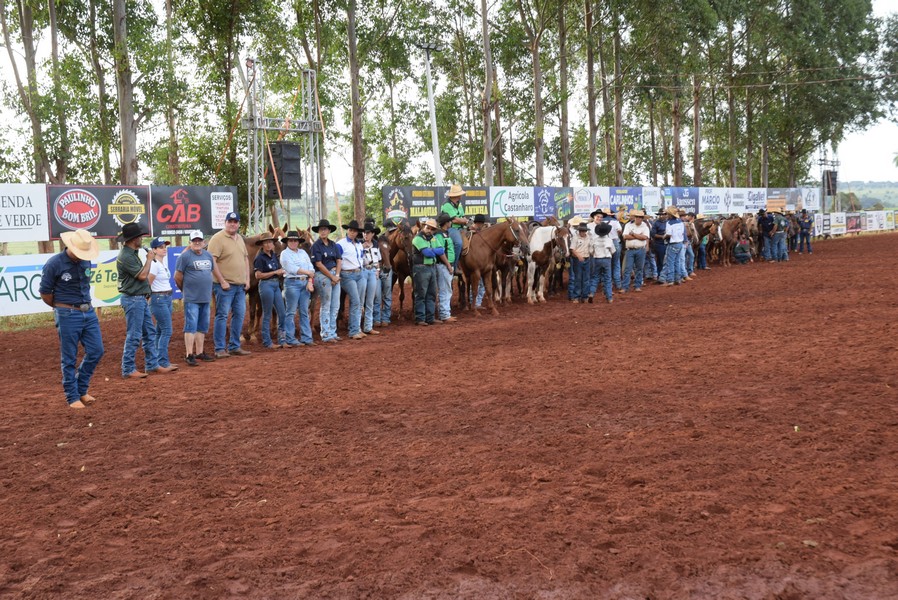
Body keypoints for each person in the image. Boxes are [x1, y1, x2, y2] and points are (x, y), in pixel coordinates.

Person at [39, 229, 105, 409]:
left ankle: (80, 389)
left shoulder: (86, 261)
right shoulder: (54, 264)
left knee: (97, 350)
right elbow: (45, 293)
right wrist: (62, 307)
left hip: (87, 311)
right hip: (67, 313)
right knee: (69, 356)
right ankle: (72, 396)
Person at [117, 223, 172, 378]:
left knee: (149, 333)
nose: (142, 239)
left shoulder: (131, 253)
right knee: (134, 335)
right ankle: (128, 368)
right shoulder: (126, 256)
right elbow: (142, 276)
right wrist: (149, 259)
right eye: (140, 237)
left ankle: (152, 364)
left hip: (138, 299)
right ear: (134, 239)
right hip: (134, 299)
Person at [208, 211, 251, 358]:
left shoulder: (239, 238)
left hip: (239, 285)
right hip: (224, 286)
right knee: (222, 315)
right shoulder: (217, 238)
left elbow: (245, 259)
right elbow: (212, 261)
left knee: (239, 315)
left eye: (235, 221)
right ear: (225, 223)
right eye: (230, 221)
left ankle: (234, 346)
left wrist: (247, 279)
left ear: (238, 224)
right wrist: (222, 281)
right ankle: (220, 348)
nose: (232, 224)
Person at [175, 230, 216, 366]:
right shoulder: (185, 257)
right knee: (191, 326)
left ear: (204, 242)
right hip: (191, 297)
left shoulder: (208, 256)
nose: (197, 243)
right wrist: (184, 290)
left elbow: (209, 273)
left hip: (205, 297)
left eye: (199, 240)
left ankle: (199, 352)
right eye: (194, 241)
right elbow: (177, 276)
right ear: (190, 243)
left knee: (202, 326)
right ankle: (189, 354)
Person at [279, 230, 316, 347]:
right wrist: (308, 273)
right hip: (292, 283)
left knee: (304, 311)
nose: (293, 242)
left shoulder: (303, 253)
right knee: (290, 311)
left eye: (295, 240)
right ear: (287, 242)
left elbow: (312, 267)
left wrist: (310, 280)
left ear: (298, 242)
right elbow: (291, 268)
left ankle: (307, 337)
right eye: (291, 240)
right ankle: (290, 338)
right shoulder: (284, 254)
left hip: (304, 282)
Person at [147, 236, 178, 371]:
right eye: (160, 247)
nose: (164, 249)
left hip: (164, 298)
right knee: (166, 330)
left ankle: (157, 362)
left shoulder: (160, 263)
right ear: (154, 250)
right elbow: (148, 283)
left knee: (160, 330)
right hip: (159, 298)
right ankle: (162, 362)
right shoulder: (154, 264)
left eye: (164, 246)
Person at [253, 232, 287, 349]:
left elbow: (278, 270)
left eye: (270, 242)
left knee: (282, 313)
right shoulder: (259, 258)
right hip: (266, 285)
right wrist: (275, 272)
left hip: (275, 284)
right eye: (266, 242)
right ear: (262, 244)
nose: (268, 244)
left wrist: (281, 272)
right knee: (267, 313)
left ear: (273, 244)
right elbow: (258, 275)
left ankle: (282, 339)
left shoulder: (274, 255)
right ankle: (267, 341)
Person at [311, 218, 342, 342]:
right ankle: (325, 333)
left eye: (325, 229)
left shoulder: (333, 244)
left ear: (329, 231)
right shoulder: (316, 246)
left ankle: (332, 332)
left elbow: (339, 260)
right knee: (326, 304)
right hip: (323, 275)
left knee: (335, 305)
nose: (323, 231)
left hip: (335, 274)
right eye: (321, 229)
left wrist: (337, 275)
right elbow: (318, 264)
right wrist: (332, 276)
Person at [411, 218, 443, 325]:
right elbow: (427, 253)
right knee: (421, 293)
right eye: (428, 227)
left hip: (430, 267)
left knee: (431, 293)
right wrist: (434, 251)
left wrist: (431, 251)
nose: (430, 230)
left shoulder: (432, 238)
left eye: (432, 229)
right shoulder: (417, 238)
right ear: (423, 226)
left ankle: (429, 317)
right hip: (421, 268)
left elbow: (441, 250)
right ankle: (420, 318)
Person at [337, 220, 366, 340]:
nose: (352, 233)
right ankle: (353, 330)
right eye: (350, 230)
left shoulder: (359, 244)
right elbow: (338, 259)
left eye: (354, 231)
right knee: (355, 301)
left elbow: (361, 258)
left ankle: (356, 328)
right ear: (347, 230)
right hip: (347, 274)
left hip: (359, 272)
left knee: (359, 302)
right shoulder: (340, 244)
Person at [360, 221, 384, 334]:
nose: (365, 235)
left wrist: (378, 270)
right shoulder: (359, 245)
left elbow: (378, 260)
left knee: (370, 299)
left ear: (372, 234)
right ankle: (357, 326)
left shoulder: (375, 244)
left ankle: (368, 326)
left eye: (368, 233)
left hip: (373, 271)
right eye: (364, 233)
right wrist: (361, 249)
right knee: (360, 300)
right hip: (363, 271)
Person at [435, 213, 458, 323]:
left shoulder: (444, 233)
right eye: (449, 221)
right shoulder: (440, 235)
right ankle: (444, 314)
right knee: (445, 289)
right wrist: (448, 265)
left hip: (446, 265)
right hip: (444, 265)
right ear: (446, 223)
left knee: (446, 289)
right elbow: (441, 252)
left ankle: (445, 313)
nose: (451, 223)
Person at [440, 184, 467, 271]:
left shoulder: (459, 204)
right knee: (458, 243)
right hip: (451, 228)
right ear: (457, 195)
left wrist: (463, 220)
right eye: (460, 194)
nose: (460, 196)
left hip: (461, 227)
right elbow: (454, 220)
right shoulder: (446, 205)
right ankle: (454, 266)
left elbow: (462, 217)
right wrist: (463, 220)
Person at [621, 209, 650, 293]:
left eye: (640, 217)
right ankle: (625, 287)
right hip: (630, 249)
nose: (638, 219)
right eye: (637, 217)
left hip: (640, 249)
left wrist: (633, 234)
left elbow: (645, 237)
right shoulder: (628, 225)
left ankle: (637, 286)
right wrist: (639, 236)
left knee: (639, 268)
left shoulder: (645, 226)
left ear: (642, 218)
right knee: (628, 269)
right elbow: (625, 237)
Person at [659, 206, 687, 286]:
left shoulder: (669, 223)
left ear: (670, 215)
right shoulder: (680, 223)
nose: (667, 215)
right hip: (679, 243)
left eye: (667, 214)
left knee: (670, 262)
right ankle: (677, 279)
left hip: (672, 244)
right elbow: (682, 233)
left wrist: (664, 236)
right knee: (677, 262)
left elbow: (669, 234)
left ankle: (670, 280)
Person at [373, 221, 394, 327]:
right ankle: (377, 318)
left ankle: (385, 317)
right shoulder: (374, 244)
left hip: (386, 269)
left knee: (387, 294)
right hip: (378, 269)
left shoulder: (385, 242)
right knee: (377, 295)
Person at [590, 221, 616, 303]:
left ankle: (592, 293)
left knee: (596, 277)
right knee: (607, 278)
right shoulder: (609, 240)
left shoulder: (594, 240)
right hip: (606, 259)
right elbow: (613, 251)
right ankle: (609, 297)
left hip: (597, 259)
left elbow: (591, 251)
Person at [568, 222, 591, 303]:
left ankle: (585, 296)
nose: (583, 232)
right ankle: (576, 296)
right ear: (579, 231)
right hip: (578, 259)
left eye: (584, 231)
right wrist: (578, 256)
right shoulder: (575, 237)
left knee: (586, 278)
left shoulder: (589, 237)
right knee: (578, 278)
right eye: (581, 231)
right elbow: (572, 249)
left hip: (587, 258)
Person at [468, 214, 487, 308]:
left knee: (481, 284)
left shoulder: (480, 232)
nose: (482, 225)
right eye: (481, 223)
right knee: (477, 283)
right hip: (475, 261)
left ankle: (477, 303)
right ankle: (475, 302)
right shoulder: (471, 232)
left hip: (482, 261)